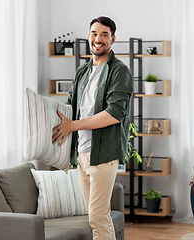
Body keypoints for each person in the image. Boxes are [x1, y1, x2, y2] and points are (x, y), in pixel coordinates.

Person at [52, 16, 133, 240]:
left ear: (112, 39)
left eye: (104, 35)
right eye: (94, 34)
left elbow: (114, 114)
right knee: (94, 216)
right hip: (82, 154)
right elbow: (70, 106)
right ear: (89, 37)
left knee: (98, 217)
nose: (98, 39)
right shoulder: (82, 72)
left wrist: (72, 126)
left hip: (103, 155)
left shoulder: (119, 71)